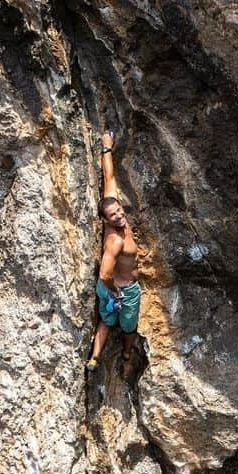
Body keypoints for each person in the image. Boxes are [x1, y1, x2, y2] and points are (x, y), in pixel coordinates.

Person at [86, 129, 141, 373]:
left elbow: (109, 178)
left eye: (119, 211)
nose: (119, 216)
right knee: (124, 325)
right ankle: (122, 353)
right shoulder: (115, 241)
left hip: (116, 287)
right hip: (120, 290)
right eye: (113, 216)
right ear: (106, 221)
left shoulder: (115, 208)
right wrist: (116, 292)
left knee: (106, 320)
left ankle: (95, 358)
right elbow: (105, 274)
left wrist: (106, 147)